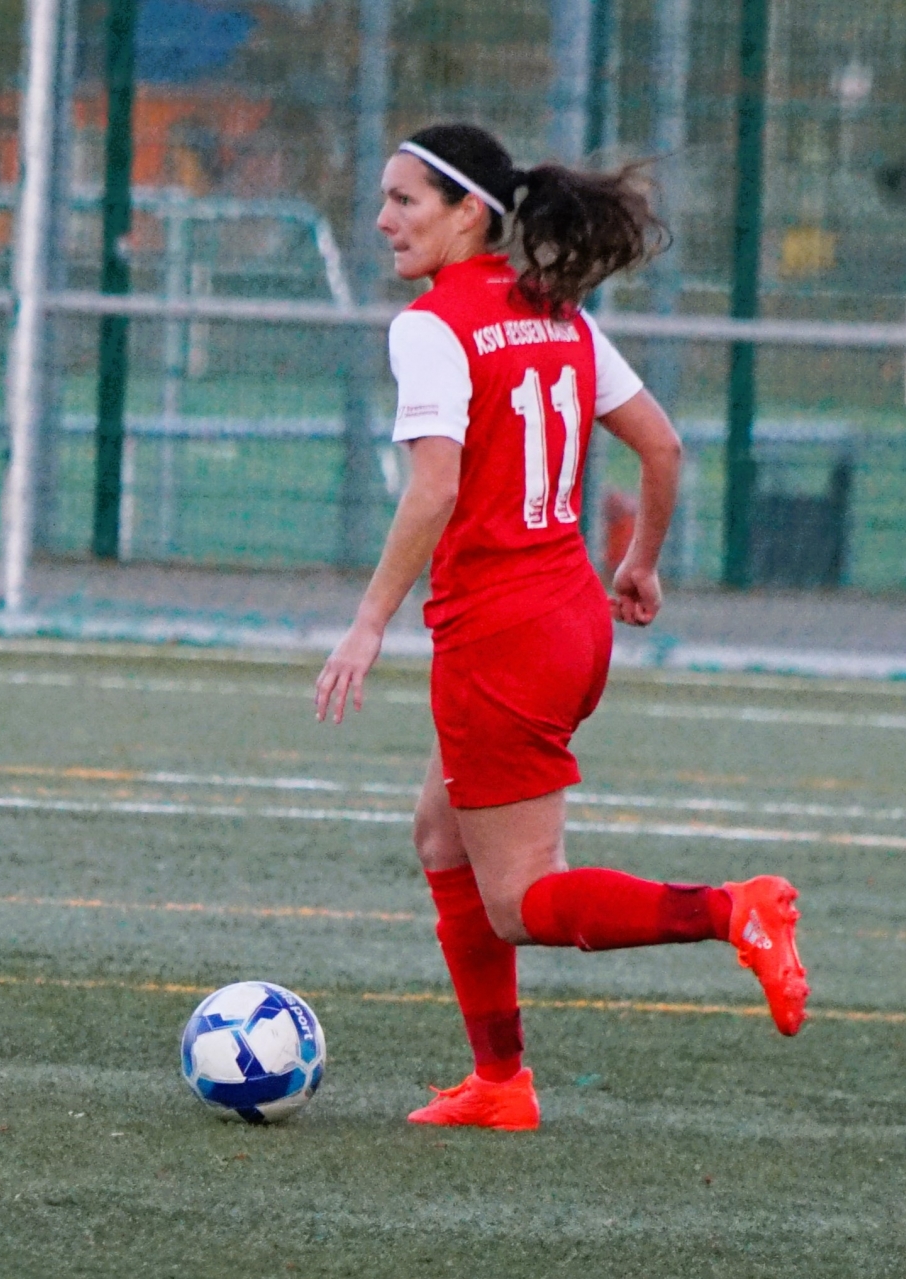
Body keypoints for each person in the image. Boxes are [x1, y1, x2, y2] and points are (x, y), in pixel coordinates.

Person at [314, 123, 807, 1132]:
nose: (383, 219)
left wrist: (367, 623)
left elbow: (434, 488)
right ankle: (499, 1081)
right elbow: (662, 448)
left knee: (519, 900)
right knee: (441, 836)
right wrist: (641, 563)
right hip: (572, 619)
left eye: (405, 200)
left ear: (469, 211)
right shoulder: (555, 309)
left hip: (500, 637)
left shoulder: (431, 325)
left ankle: (732, 908)